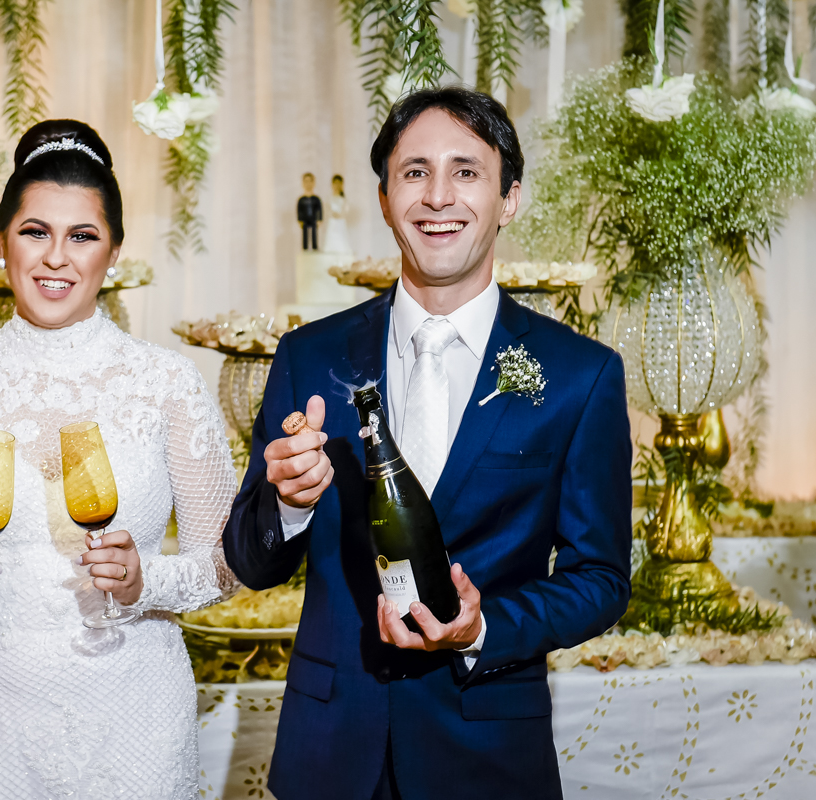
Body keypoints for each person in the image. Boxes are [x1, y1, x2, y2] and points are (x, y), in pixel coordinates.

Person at [223, 87, 632, 799]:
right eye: (414, 172)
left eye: (466, 171)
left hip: (489, 753)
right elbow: (249, 563)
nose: (438, 196)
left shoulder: (580, 375)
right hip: (331, 756)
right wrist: (286, 505)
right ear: (384, 198)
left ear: (509, 199)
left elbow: (600, 579)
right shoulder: (308, 357)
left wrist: (481, 628)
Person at [0, 119, 238, 800]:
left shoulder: (167, 382)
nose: (56, 258)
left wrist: (142, 583)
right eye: (35, 232)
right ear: (3, 242)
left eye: (83, 236)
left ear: (115, 253)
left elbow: (227, 562)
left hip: (135, 712)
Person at [322, 174, 352, 255]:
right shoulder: (329, 198)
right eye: (335, 183)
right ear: (332, 184)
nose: (337, 185)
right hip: (332, 223)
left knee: (341, 239)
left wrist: (340, 215)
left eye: (339, 183)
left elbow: (346, 210)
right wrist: (332, 214)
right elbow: (326, 209)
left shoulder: (343, 199)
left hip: (341, 222)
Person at [297, 172, 323, 250]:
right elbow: (299, 210)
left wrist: (319, 219)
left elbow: (319, 209)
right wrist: (300, 219)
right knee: (305, 233)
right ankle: (305, 247)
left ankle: (315, 246)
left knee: (314, 233)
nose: (308, 184)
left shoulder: (316, 199)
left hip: (313, 219)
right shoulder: (301, 199)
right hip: (305, 220)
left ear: (313, 183)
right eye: (306, 181)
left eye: (310, 181)